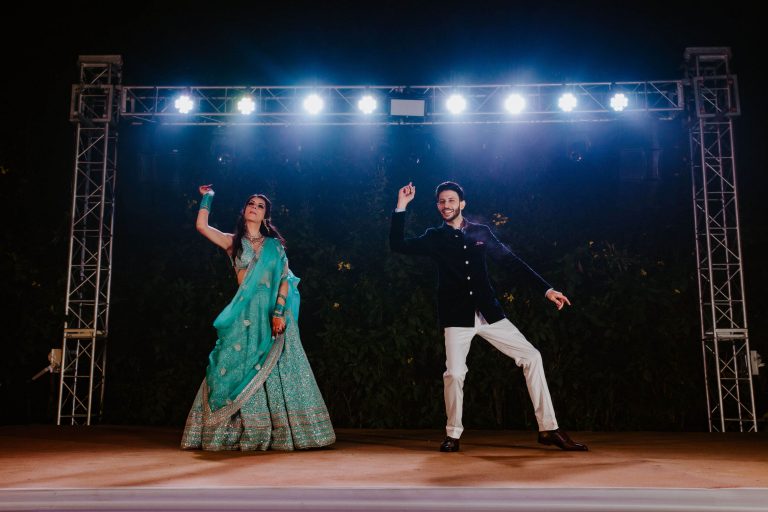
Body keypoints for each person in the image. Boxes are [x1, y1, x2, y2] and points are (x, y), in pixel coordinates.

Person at [389, 181, 587, 452]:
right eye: (441, 202)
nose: (446, 205)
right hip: (456, 317)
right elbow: (397, 244)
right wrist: (401, 205)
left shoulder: (481, 232)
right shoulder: (434, 237)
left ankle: (549, 429)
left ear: (462, 204)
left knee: (532, 357)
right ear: (438, 206)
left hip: (489, 315)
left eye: (451, 201)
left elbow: (510, 261)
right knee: (455, 374)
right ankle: (453, 435)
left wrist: (547, 289)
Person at [181, 185, 335, 451]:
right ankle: (229, 432)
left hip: (269, 314)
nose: (254, 207)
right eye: (250, 203)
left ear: (266, 216)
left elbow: (285, 280)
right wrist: (208, 197)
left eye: (260, 206)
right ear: (244, 211)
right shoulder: (233, 242)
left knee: (274, 370)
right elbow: (202, 227)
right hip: (243, 314)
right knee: (229, 367)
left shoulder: (274, 247)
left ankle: (278, 431)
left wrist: (278, 312)